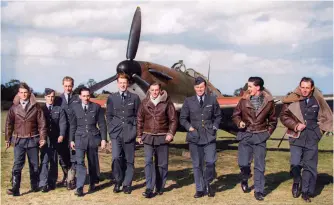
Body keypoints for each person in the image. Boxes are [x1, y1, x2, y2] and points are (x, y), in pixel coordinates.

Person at [280, 77, 333, 202]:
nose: (304, 90)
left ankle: (306, 192)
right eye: (302, 87)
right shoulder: (292, 99)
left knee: (310, 166)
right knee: (296, 163)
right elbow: (283, 116)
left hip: (312, 138)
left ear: (312, 88)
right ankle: (297, 181)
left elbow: (326, 117)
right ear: (299, 86)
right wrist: (295, 125)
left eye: (307, 88)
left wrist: (320, 132)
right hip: (296, 137)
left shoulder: (318, 101)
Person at [232, 77, 277, 201]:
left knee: (259, 166)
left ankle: (259, 191)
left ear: (257, 87)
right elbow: (235, 115)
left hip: (260, 136)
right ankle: (245, 177)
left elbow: (273, 121)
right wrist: (239, 122)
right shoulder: (243, 100)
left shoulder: (269, 102)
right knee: (243, 163)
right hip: (245, 135)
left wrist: (267, 134)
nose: (248, 89)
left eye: (250, 86)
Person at [180, 76, 222, 198]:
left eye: (202, 87)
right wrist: (189, 128)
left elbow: (218, 116)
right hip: (194, 137)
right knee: (197, 164)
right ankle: (200, 189)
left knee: (210, 162)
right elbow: (182, 118)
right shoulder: (188, 101)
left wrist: (214, 127)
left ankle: (208, 182)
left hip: (209, 136)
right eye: (197, 87)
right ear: (194, 88)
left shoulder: (212, 100)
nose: (200, 89)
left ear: (205, 87)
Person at [5, 82, 47, 196]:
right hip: (19, 141)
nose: (23, 95)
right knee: (17, 165)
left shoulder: (36, 107)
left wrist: (42, 138)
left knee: (34, 164)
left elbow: (42, 124)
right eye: (21, 93)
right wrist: (7, 139)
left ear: (29, 93)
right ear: (18, 93)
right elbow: (9, 123)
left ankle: (35, 185)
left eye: (25, 93)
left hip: (33, 139)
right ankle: (15, 188)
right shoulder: (14, 108)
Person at [137, 82, 178, 198]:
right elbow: (140, 119)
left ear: (160, 91)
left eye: (156, 90)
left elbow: (173, 120)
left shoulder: (167, 103)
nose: (154, 92)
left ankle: (160, 186)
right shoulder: (144, 103)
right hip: (148, 136)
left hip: (162, 137)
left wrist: (170, 133)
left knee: (162, 164)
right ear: (149, 91)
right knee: (148, 162)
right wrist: (139, 135)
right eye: (152, 90)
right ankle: (149, 188)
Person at [106, 73, 141, 194]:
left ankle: (127, 184)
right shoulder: (112, 98)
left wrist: (135, 130)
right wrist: (111, 131)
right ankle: (118, 181)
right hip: (116, 134)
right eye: (120, 83)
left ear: (128, 84)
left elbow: (138, 116)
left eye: (124, 83)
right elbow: (109, 116)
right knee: (116, 158)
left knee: (129, 160)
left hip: (129, 133)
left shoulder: (135, 98)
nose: (122, 85)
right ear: (117, 84)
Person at [70, 87, 107, 196]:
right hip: (80, 139)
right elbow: (73, 125)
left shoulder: (96, 107)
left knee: (92, 162)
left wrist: (104, 139)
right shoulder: (75, 108)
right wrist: (71, 140)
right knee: (80, 162)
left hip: (92, 138)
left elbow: (102, 124)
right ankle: (80, 187)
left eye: (88, 96)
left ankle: (93, 182)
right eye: (84, 96)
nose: (86, 98)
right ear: (80, 96)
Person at [39, 88, 67, 192]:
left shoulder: (59, 109)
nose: (51, 99)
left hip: (55, 139)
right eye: (49, 97)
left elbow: (63, 123)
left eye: (52, 97)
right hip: (45, 139)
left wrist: (61, 135)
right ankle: (43, 183)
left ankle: (52, 182)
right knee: (44, 160)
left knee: (54, 161)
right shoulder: (40, 109)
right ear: (45, 97)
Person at [58, 76, 80, 189]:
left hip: (74, 132)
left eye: (70, 86)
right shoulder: (58, 99)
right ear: (63, 86)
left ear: (73, 86)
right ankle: (66, 176)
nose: (68, 88)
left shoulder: (78, 98)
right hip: (61, 133)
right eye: (66, 86)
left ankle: (71, 180)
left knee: (73, 156)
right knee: (62, 157)